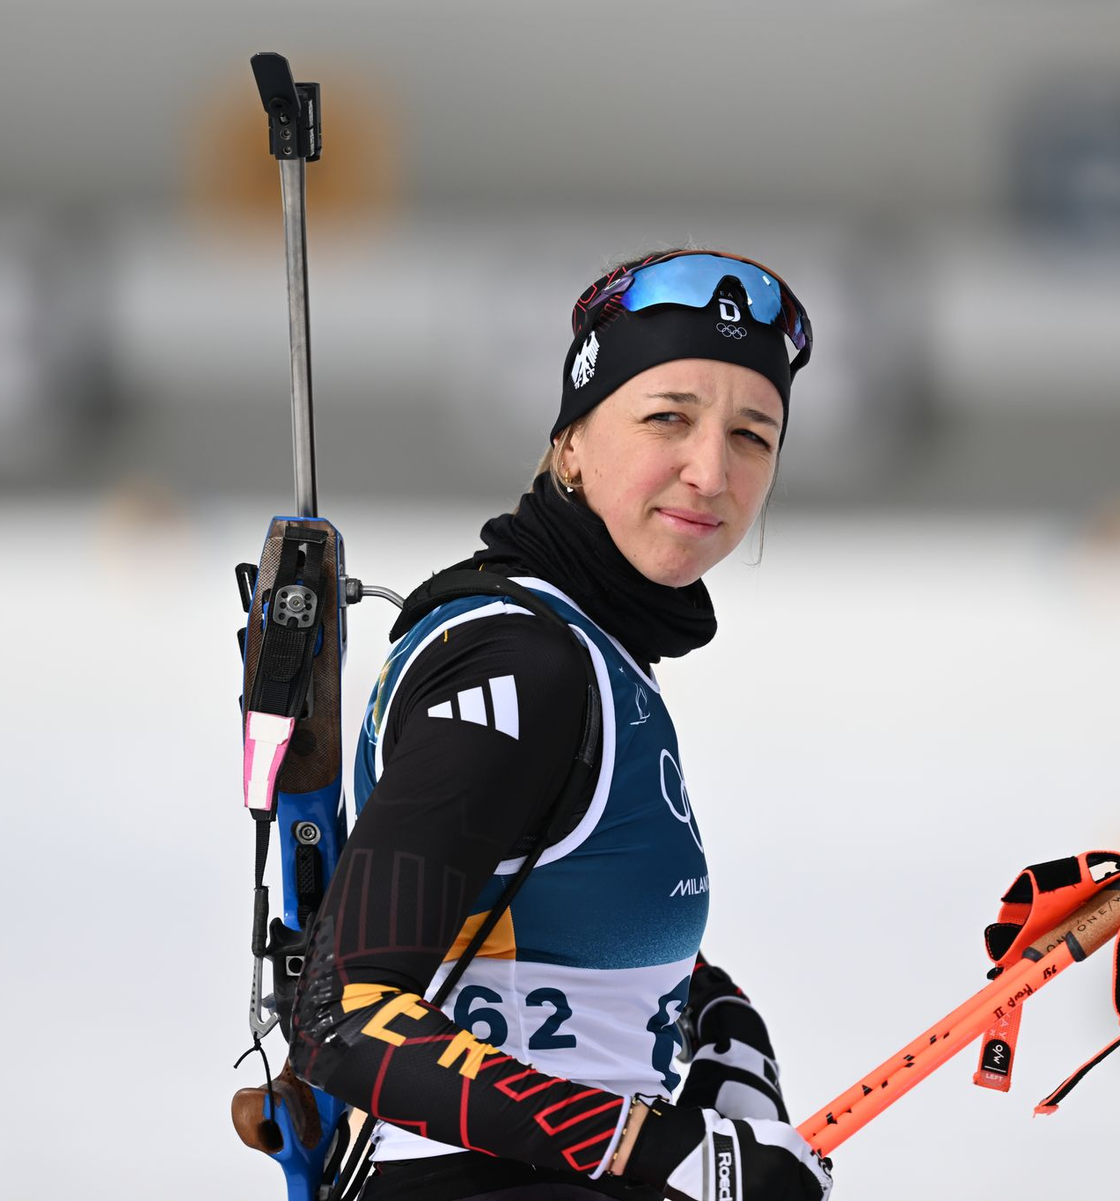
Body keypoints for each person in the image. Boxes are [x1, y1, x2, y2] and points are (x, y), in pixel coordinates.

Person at [290, 249, 832, 1201]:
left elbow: (551, 918)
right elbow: (347, 1016)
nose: (711, 471)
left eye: (753, 436)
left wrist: (719, 1023)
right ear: (573, 441)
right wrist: (658, 1147)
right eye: (668, 418)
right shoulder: (522, 663)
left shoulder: (591, 651)